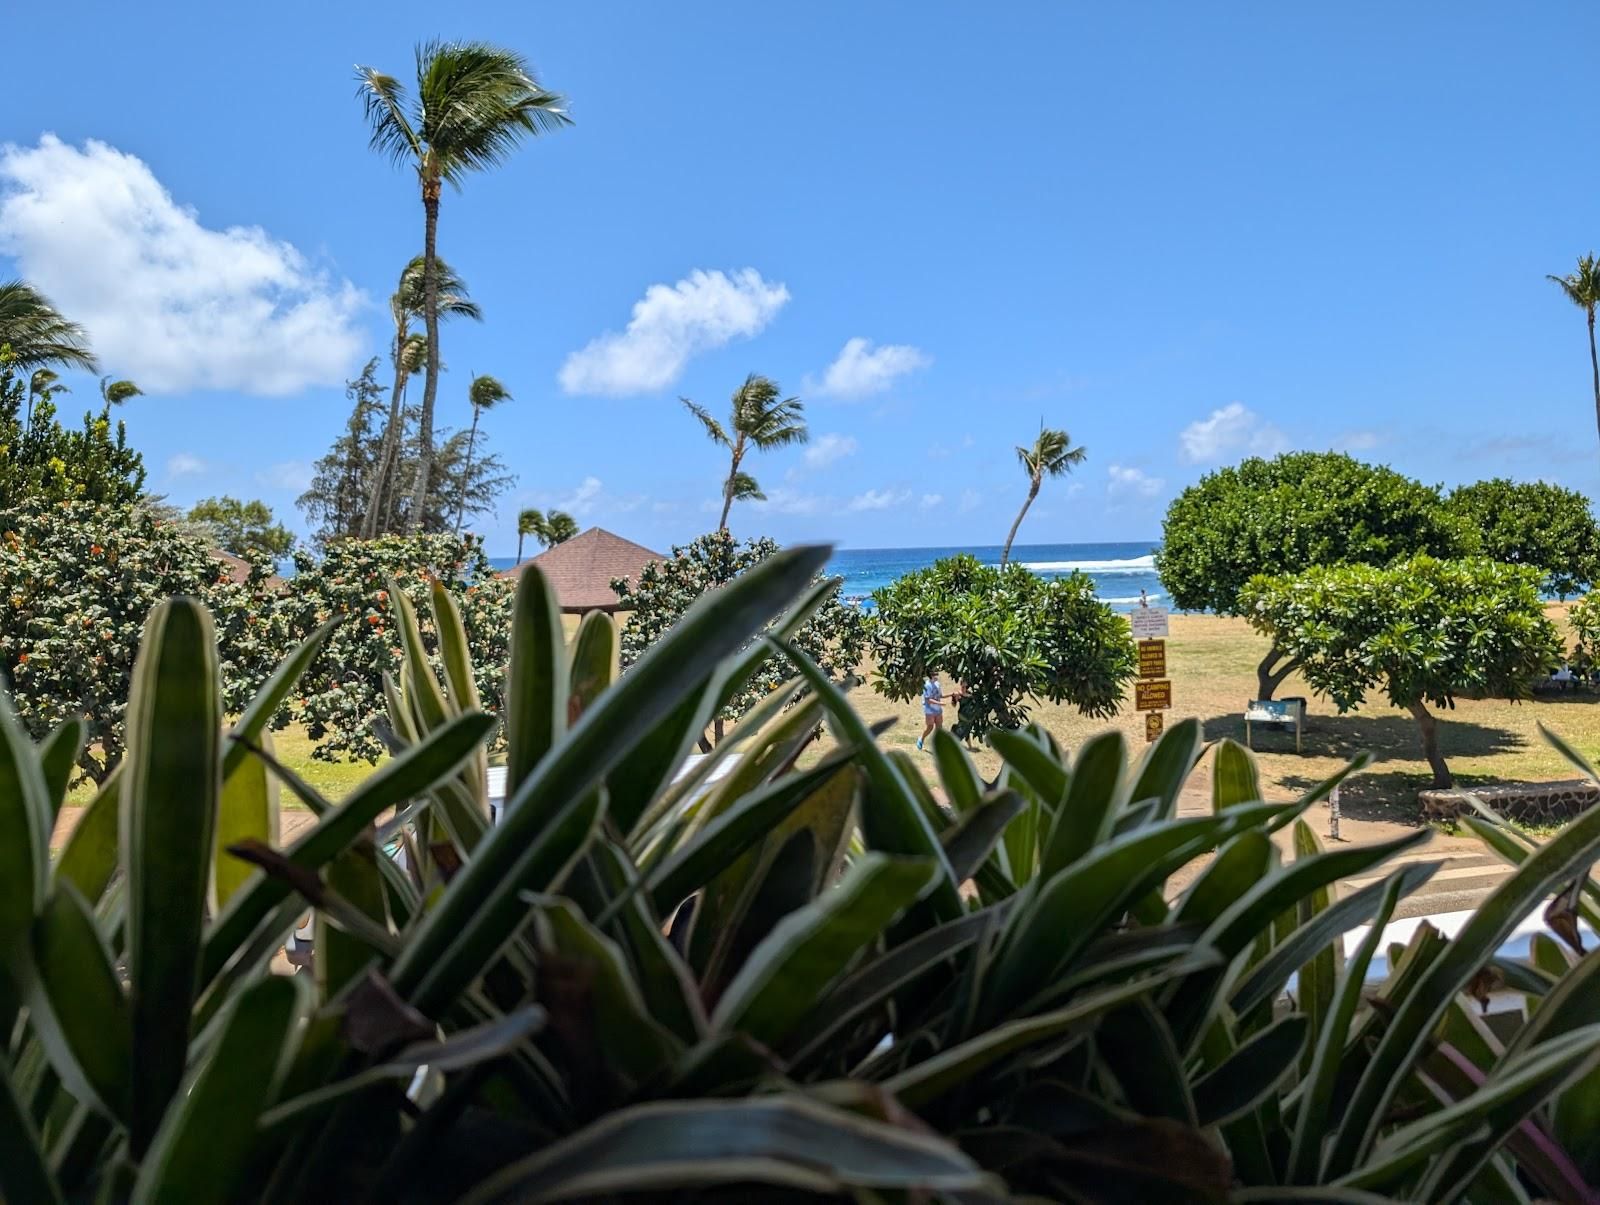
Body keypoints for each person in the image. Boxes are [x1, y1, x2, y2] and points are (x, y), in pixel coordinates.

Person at [918, 672, 947, 751]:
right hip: (929, 710)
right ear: (931, 676)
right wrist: (940, 703)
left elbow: (940, 695)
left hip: (938, 710)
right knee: (930, 727)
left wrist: (952, 694)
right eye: (935, 674)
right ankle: (921, 739)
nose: (937, 675)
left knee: (939, 728)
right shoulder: (927, 685)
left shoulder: (937, 684)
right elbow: (928, 700)